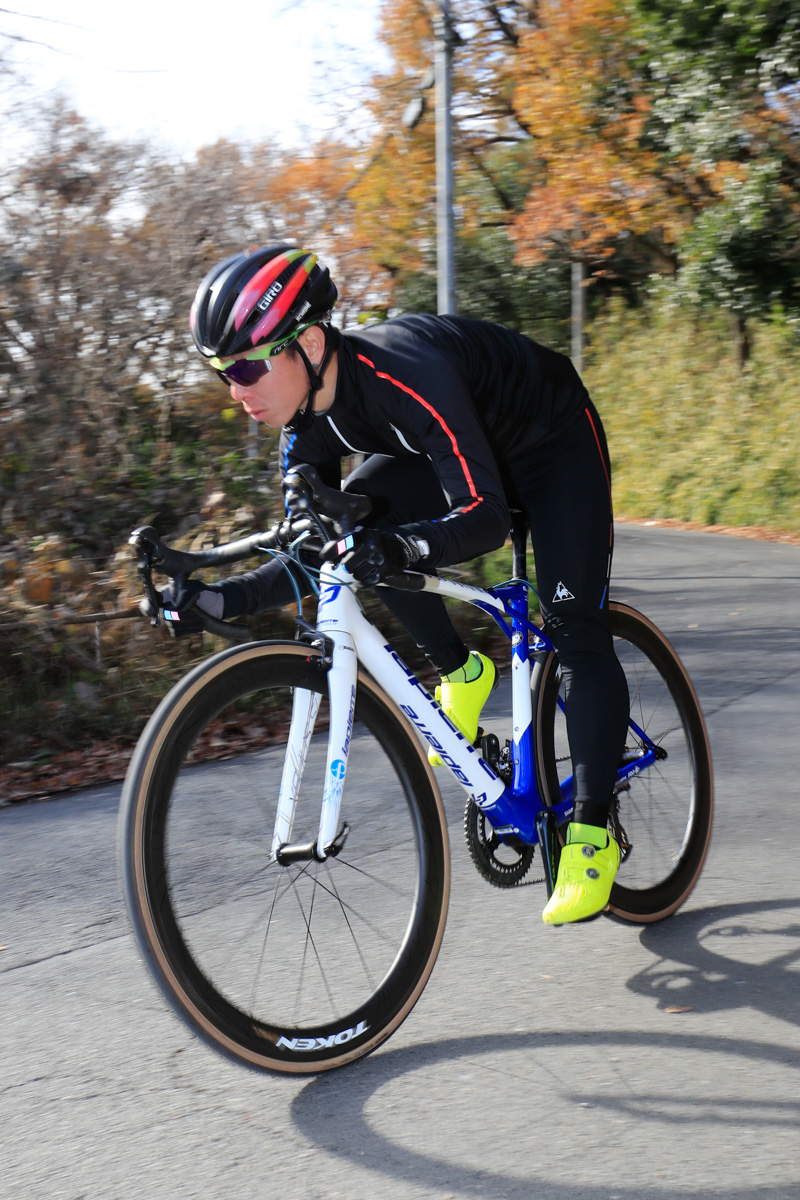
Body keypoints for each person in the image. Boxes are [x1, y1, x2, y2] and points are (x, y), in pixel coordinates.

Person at [175, 243, 630, 926]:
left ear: (309, 341)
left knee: (575, 630)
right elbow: (310, 554)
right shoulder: (301, 430)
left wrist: (403, 543)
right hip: (461, 449)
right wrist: (221, 597)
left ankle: (593, 830)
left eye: (246, 366)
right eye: (221, 373)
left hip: (550, 441)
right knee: (349, 536)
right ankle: (463, 670)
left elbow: (482, 520)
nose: (236, 390)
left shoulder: (409, 372)